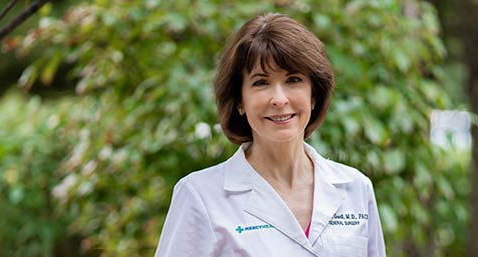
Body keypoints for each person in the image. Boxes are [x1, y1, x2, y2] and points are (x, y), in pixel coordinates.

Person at [154, 13, 386, 257]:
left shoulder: (356, 189)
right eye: (261, 83)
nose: (279, 99)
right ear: (240, 101)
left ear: (314, 94)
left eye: (293, 80)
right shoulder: (199, 196)